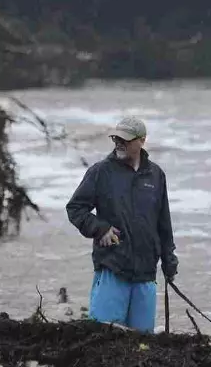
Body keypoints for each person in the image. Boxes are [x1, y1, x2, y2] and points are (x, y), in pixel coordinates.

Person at [65, 116, 178, 333]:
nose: (119, 143)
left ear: (142, 141)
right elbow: (75, 208)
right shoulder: (100, 172)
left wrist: (169, 259)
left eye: (125, 139)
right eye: (116, 138)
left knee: (143, 342)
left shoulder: (156, 175)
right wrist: (100, 229)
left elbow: (164, 223)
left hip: (146, 273)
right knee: (105, 336)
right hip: (113, 268)